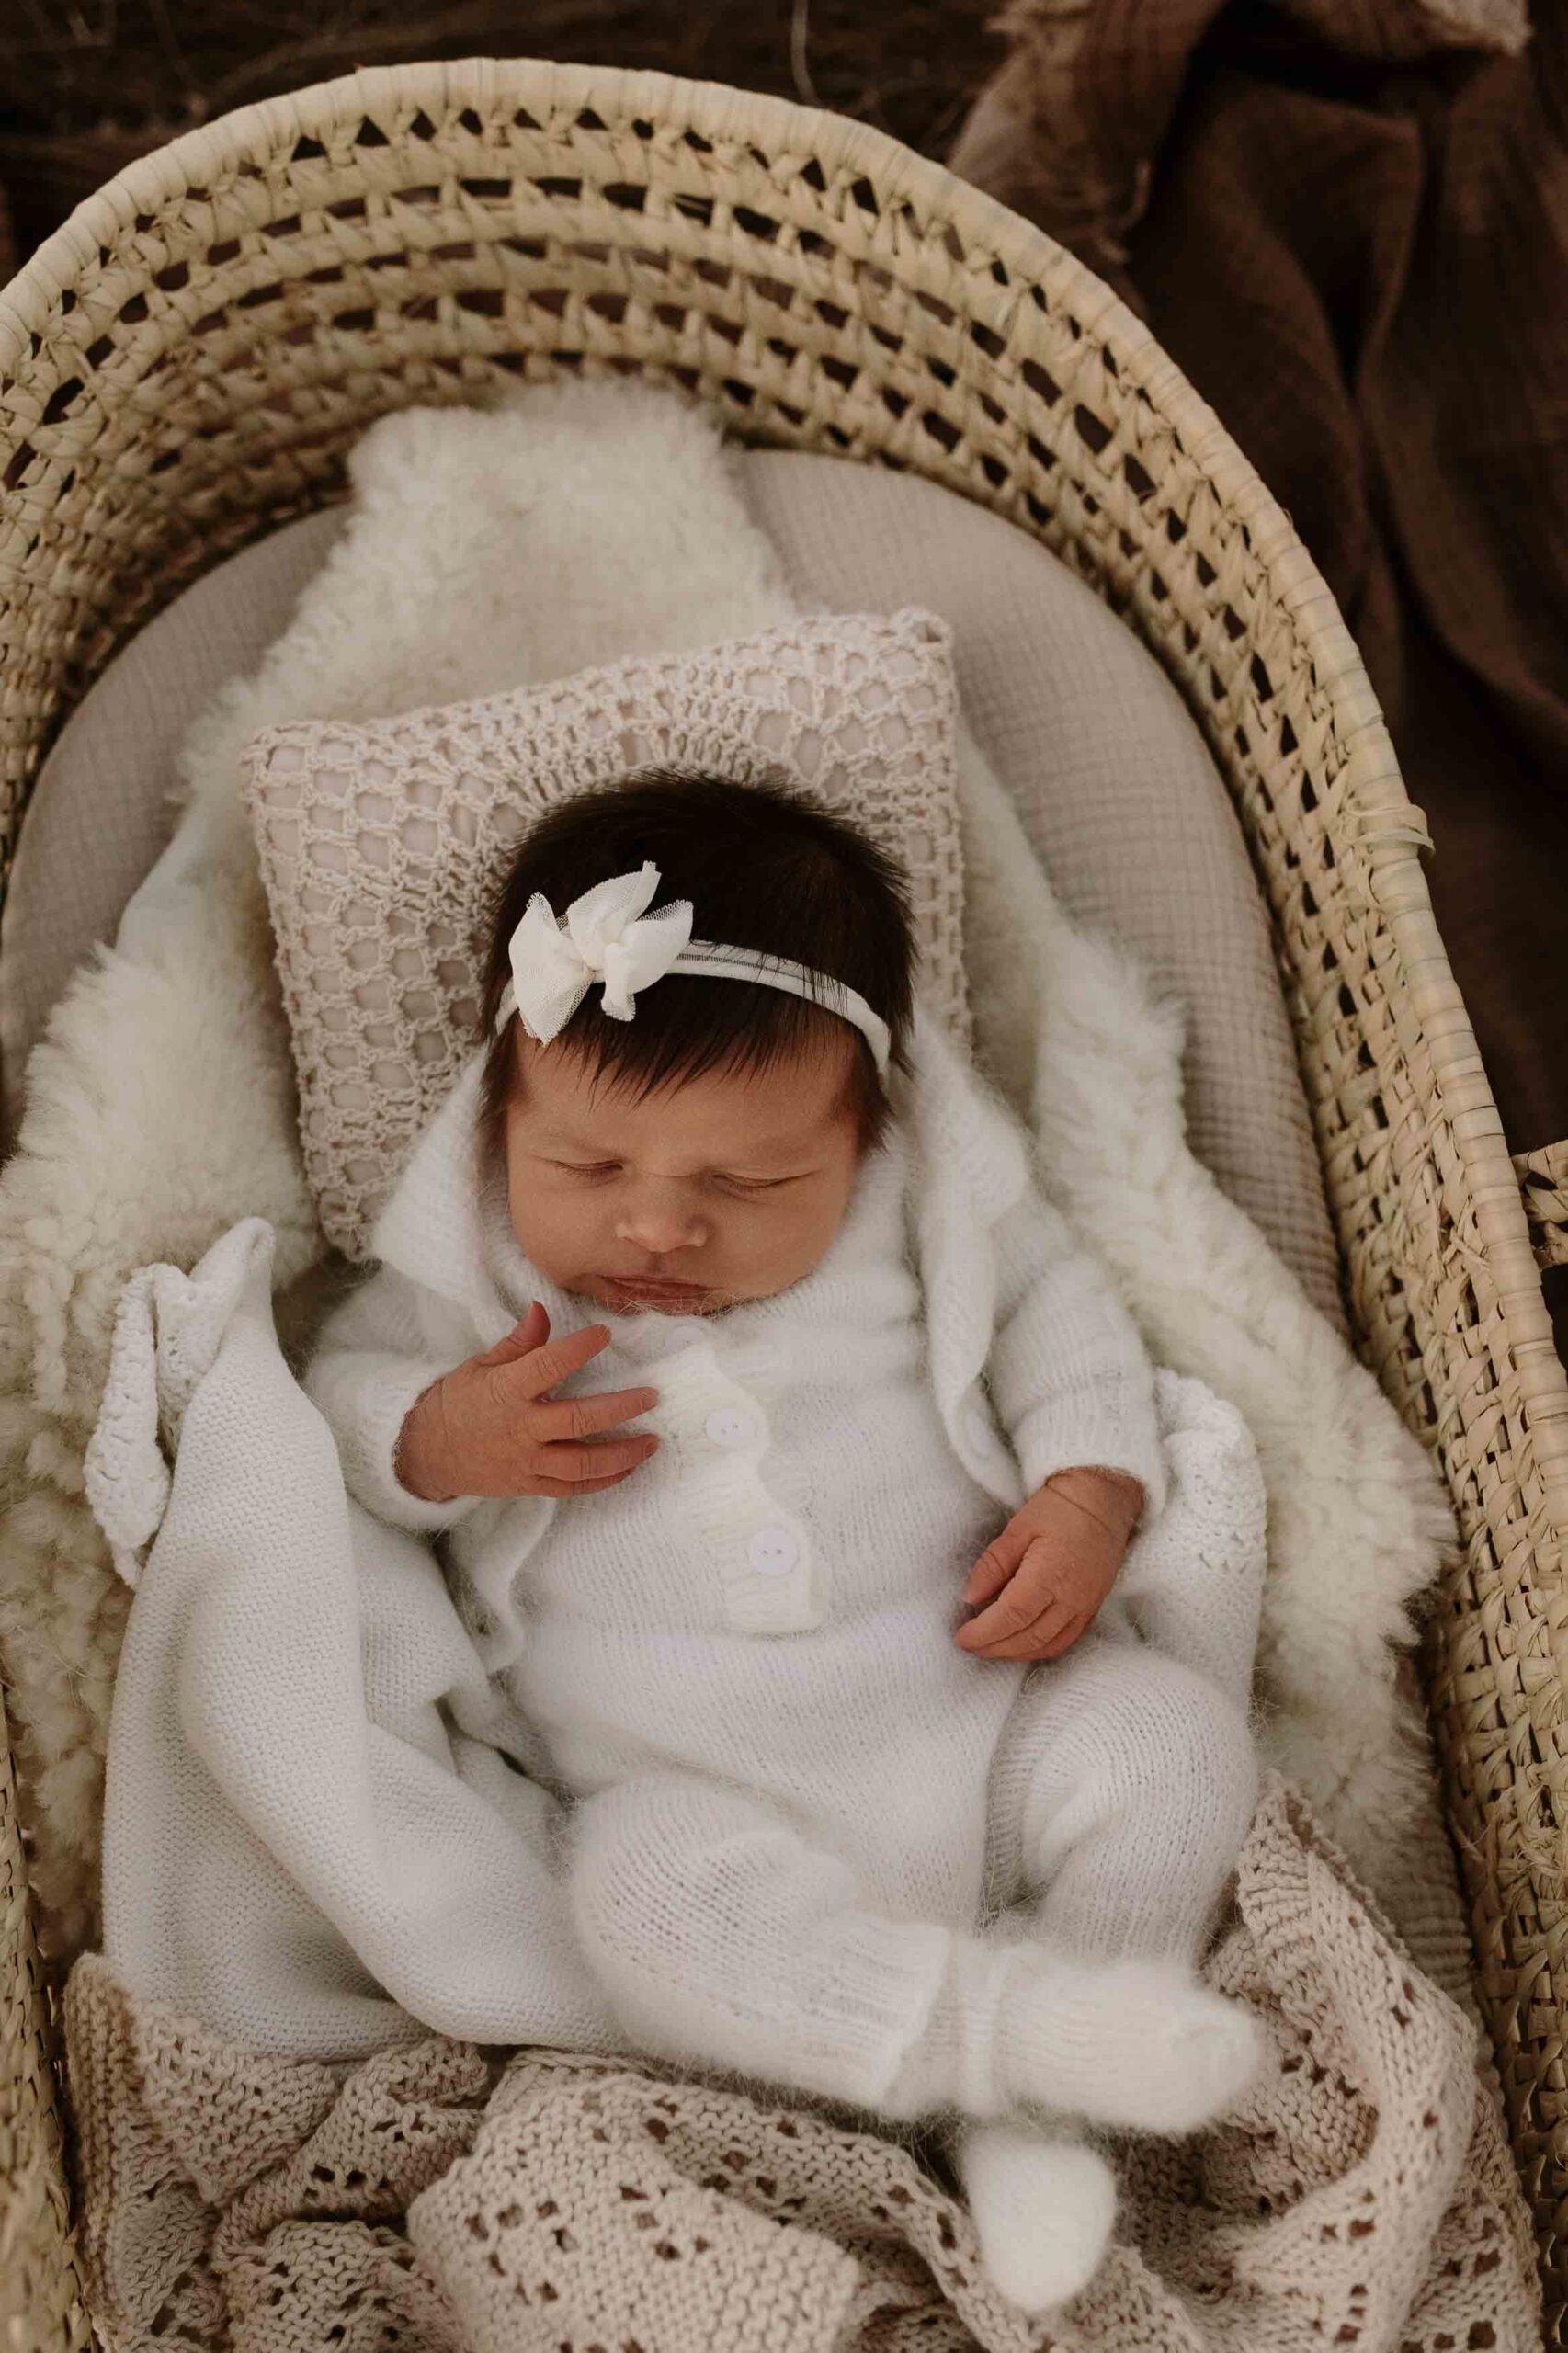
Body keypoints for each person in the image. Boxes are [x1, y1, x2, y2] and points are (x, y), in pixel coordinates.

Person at [306, 768, 1265, 2311]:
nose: (656, 1231)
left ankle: (1034, 2117)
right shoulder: (472, 1278)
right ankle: (1005, 2044)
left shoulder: (930, 1206)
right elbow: (336, 1402)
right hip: (700, 1795)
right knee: (633, 1908)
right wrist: (435, 1436)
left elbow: (1055, 1315)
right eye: (588, 1169)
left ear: (867, 1131)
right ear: (500, 1117)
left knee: (1167, 1745)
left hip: (984, 1717)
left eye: (748, 1183)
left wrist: (1092, 1487)